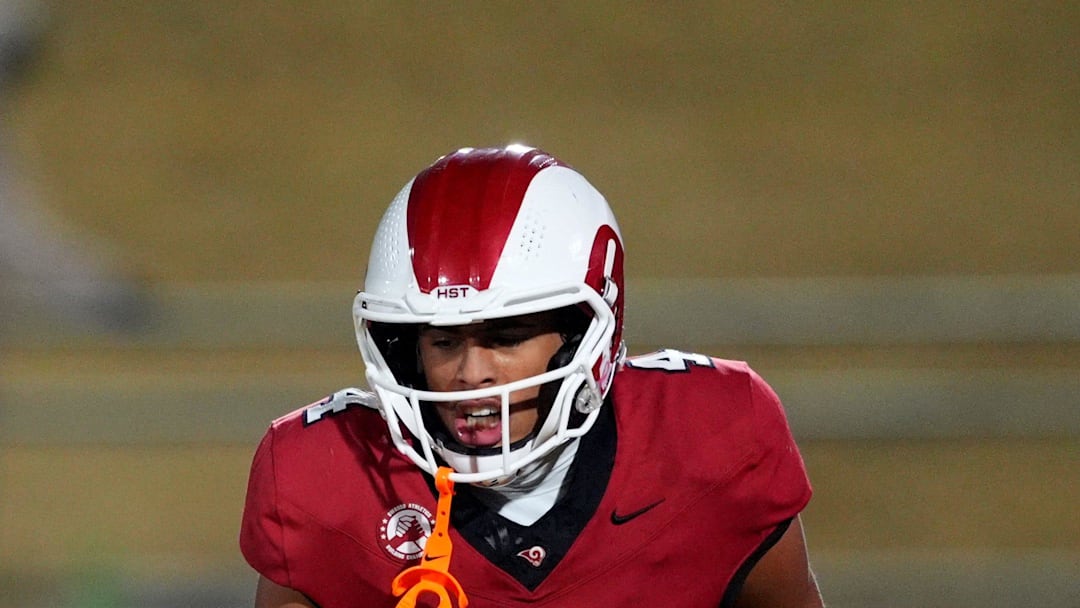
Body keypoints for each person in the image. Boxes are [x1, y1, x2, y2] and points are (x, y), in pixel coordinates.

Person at [240, 145, 825, 607]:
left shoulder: (714, 434)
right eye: (444, 341)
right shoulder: (322, 479)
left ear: (581, 334)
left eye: (506, 338)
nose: (471, 373)